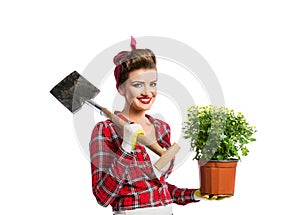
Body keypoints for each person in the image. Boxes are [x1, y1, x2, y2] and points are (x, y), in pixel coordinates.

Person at [89, 37, 220, 215]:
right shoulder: (106, 130)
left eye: (152, 84)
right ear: (121, 88)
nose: (147, 92)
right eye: (137, 85)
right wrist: (126, 147)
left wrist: (195, 194)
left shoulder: (161, 128)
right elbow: (103, 196)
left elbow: (158, 187)